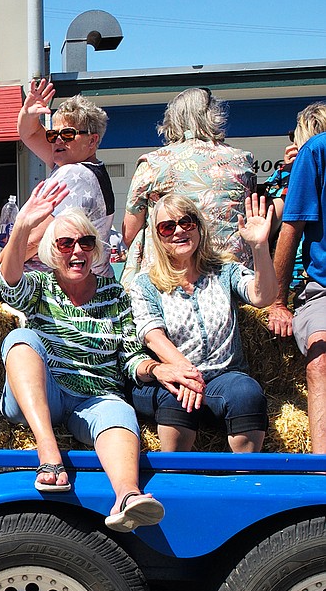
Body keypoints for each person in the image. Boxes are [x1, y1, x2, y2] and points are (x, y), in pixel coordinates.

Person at [0, 181, 194, 531]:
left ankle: (128, 497)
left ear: (96, 250)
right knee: (20, 338)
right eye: (66, 243)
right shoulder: (41, 287)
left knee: (119, 410)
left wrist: (158, 368)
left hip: (95, 397)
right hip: (44, 394)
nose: (77, 251)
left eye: (85, 243)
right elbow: (9, 281)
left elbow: (130, 357)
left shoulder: (114, 293)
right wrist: (23, 226)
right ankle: (49, 454)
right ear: (52, 251)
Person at [128, 193, 275, 452]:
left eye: (187, 222)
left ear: (199, 226)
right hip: (173, 376)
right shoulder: (145, 284)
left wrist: (260, 246)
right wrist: (188, 375)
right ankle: (177, 478)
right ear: (158, 237)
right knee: (177, 399)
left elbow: (263, 296)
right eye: (167, 227)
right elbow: (153, 335)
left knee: (246, 393)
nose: (179, 231)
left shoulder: (224, 271)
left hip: (225, 377)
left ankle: (243, 480)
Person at [121, 87, 256, 286]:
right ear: (213, 116)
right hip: (230, 273)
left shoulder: (154, 163)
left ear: (172, 120)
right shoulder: (241, 160)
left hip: (170, 276)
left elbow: (129, 233)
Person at [16, 79, 114, 276]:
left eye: (68, 134)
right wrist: (27, 114)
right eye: (53, 134)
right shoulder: (81, 167)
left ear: (92, 141)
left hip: (66, 291)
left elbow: (36, 239)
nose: (58, 140)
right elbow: (31, 133)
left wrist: (3, 261)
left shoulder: (75, 173)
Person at [274, 108, 326, 453]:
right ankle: (322, 471)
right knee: (321, 357)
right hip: (322, 289)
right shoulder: (316, 151)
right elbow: (290, 229)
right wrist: (276, 301)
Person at [269, 101, 326, 339]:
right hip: (300, 278)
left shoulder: (313, 151)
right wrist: (286, 173)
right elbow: (274, 223)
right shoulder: (308, 157)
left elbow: (283, 228)